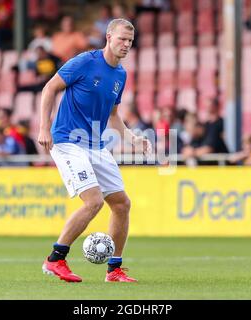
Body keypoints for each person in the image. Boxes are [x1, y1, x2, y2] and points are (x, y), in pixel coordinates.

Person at [37, 19, 151, 283]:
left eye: (130, 42)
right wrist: (44, 127)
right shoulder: (85, 62)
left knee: (121, 204)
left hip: (95, 145)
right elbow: (50, 88)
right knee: (94, 202)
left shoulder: (120, 75)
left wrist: (132, 138)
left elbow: (113, 114)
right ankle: (55, 260)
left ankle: (114, 270)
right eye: (122, 39)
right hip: (67, 140)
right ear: (108, 37)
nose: (126, 45)